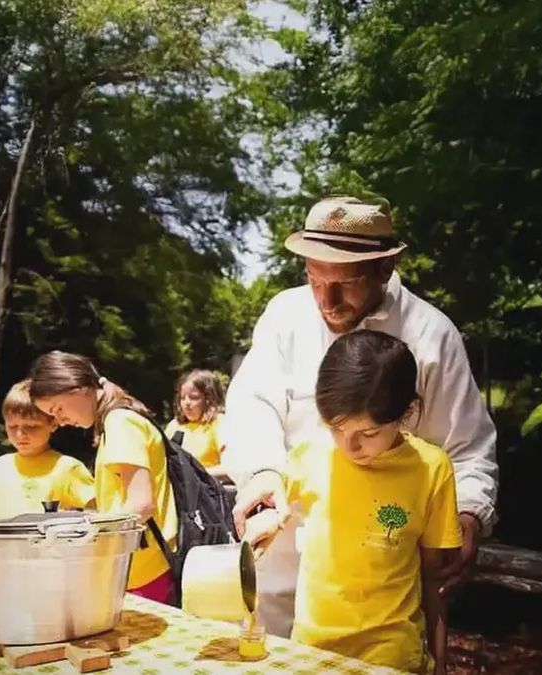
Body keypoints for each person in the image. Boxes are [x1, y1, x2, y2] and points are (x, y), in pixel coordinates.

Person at [223, 195, 499, 637]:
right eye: (315, 280)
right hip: (283, 566)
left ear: (385, 270)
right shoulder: (285, 314)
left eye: (345, 283)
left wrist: (468, 512)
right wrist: (259, 472)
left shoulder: (432, 336)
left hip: (384, 590)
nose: (326, 301)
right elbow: (252, 404)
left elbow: (467, 447)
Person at [247, 330, 460, 674]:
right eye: (335, 429)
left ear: (407, 411)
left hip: (390, 654)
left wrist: (439, 661)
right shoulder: (311, 454)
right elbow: (269, 497)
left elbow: (436, 581)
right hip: (310, 650)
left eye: (369, 433)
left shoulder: (431, 469)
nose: (349, 446)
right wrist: (264, 515)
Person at [28, 351, 178, 604]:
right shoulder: (117, 421)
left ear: (78, 388)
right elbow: (121, 503)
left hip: (145, 569)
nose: (60, 421)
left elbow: (141, 504)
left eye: (58, 409)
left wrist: (83, 532)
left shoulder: (120, 422)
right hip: (141, 566)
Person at [0, 380, 97, 518]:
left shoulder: (67, 468)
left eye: (32, 426)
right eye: (13, 426)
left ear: (54, 424)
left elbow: (96, 511)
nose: (20, 434)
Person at [165, 369, 230, 480]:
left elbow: (230, 468)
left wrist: (194, 474)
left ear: (209, 399)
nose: (187, 403)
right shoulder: (174, 426)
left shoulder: (220, 424)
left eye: (194, 397)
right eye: (182, 398)